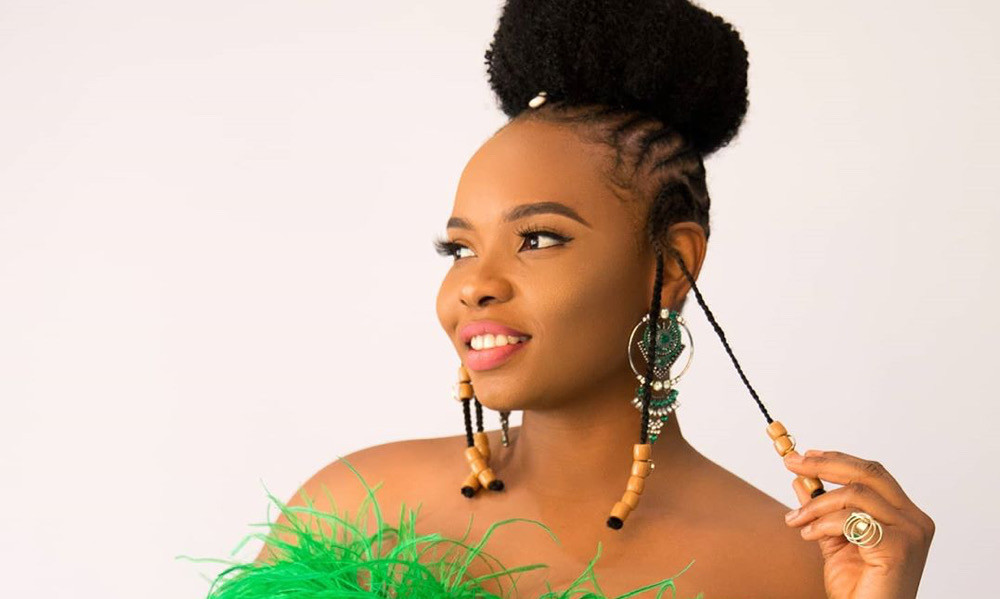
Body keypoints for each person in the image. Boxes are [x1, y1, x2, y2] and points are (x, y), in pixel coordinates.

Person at [211, 1, 936, 597]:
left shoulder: (805, 572)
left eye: (538, 238)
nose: (474, 283)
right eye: (460, 248)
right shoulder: (350, 513)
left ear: (672, 264)